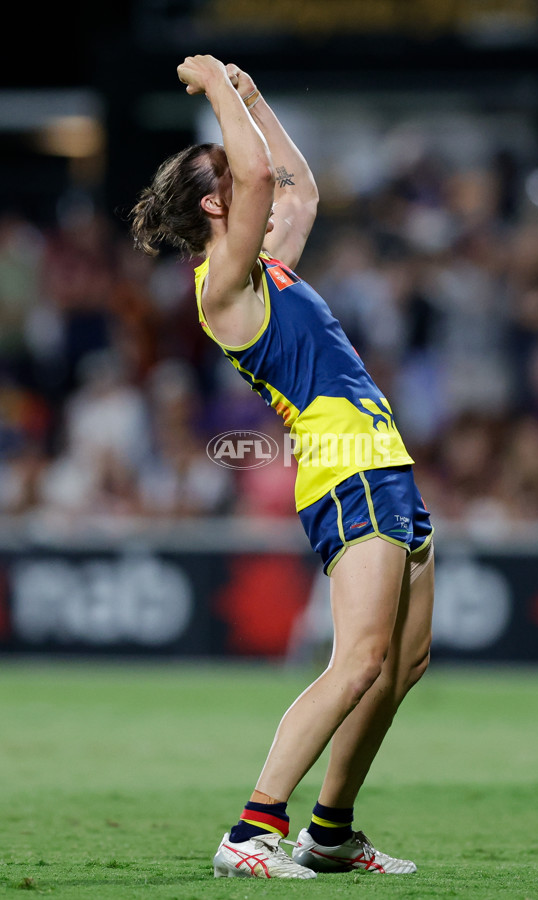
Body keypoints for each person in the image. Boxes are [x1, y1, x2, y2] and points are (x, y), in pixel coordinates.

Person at [130, 53, 435, 881]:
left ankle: (329, 832)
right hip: (345, 463)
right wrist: (215, 84)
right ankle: (251, 828)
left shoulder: (267, 269)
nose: (250, 176)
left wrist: (255, 98)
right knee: (359, 659)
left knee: (402, 664)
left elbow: (298, 189)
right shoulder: (221, 283)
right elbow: (263, 174)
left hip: (381, 457)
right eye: (230, 174)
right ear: (214, 203)